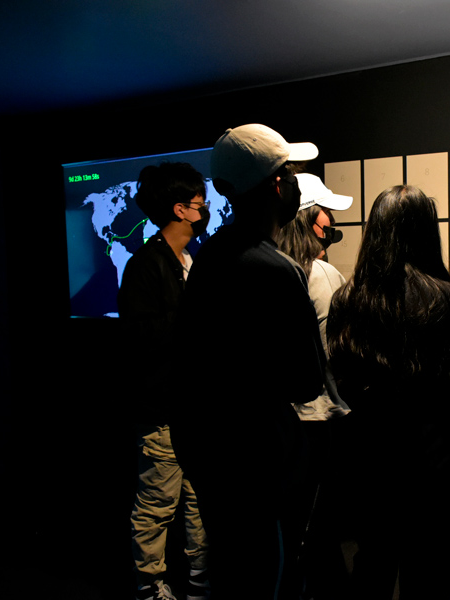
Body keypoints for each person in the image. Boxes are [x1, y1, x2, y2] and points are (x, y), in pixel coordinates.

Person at [170, 124, 325, 600]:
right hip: (258, 463)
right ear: (279, 186)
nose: (297, 182)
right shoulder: (276, 271)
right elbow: (305, 382)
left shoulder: (210, 257)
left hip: (211, 454)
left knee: (233, 572)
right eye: (291, 173)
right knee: (264, 575)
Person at [326, 185, 450, 600]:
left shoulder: (347, 299)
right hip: (439, 455)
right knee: (431, 574)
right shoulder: (449, 300)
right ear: (426, 232)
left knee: (373, 564)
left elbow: (341, 387)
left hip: (371, 457)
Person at [117, 162, 211, 600]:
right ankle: (150, 586)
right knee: (156, 505)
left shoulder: (189, 260)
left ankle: (199, 581)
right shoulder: (145, 266)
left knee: (198, 504)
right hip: (162, 412)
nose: (206, 210)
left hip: (193, 410)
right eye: (199, 204)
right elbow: (139, 338)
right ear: (180, 209)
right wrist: (192, 318)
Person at [276, 173, 353, 599]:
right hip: (318, 417)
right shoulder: (322, 274)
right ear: (309, 218)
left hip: (278, 418)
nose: (332, 223)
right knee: (316, 528)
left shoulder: (267, 267)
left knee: (289, 525)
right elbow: (336, 353)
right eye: (326, 213)